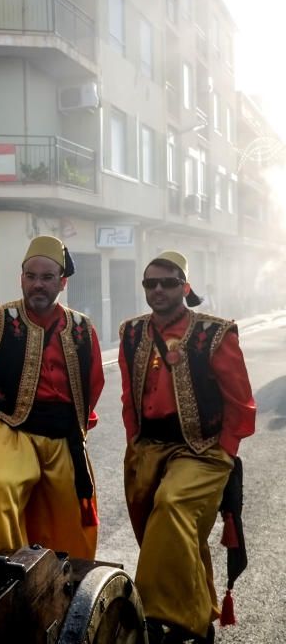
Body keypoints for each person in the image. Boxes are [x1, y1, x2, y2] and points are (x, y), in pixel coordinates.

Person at [119, 251, 255, 644]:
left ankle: (163, 618)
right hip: (148, 449)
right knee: (170, 536)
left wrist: (225, 452)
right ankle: (198, 614)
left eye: (168, 282)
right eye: (150, 283)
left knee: (173, 504)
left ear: (186, 287)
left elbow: (242, 403)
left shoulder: (215, 333)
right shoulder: (131, 332)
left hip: (202, 450)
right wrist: (134, 441)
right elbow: (129, 397)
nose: (158, 290)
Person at [0, 235, 103, 559]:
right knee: (6, 486)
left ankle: (65, 585)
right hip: (9, 427)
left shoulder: (82, 329)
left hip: (63, 436)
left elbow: (93, 384)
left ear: (62, 282)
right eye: (31, 277)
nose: (38, 285)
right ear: (21, 278)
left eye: (47, 278)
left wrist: (78, 427)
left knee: (74, 515)